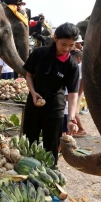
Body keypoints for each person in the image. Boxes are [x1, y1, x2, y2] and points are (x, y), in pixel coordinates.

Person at [23, 23, 80, 165]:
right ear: (55, 38)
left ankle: (49, 176)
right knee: (29, 144)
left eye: (71, 45)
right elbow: (29, 75)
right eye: (64, 44)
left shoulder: (71, 65)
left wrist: (72, 119)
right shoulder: (39, 53)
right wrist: (33, 92)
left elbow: (73, 94)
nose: (67, 49)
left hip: (55, 109)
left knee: (51, 148)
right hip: (33, 106)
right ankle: (26, 175)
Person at [70, 49, 88, 136]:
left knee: (74, 111)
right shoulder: (78, 65)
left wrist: (79, 93)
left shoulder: (80, 66)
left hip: (77, 92)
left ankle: (81, 129)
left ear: (78, 58)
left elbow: (82, 81)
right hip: (76, 91)